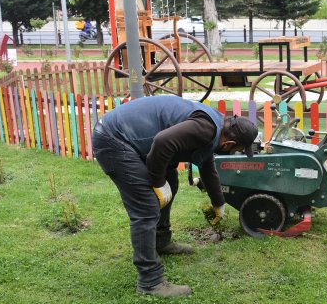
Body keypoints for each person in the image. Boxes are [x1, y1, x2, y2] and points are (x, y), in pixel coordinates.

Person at [91, 96, 258, 297]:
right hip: (114, 140)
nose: (236, 152)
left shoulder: (218, 124)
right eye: (239, 149)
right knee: (146, 208)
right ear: (230, 142)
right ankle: (150, 282)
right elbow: (162, 142)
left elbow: (206, 164)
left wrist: (218, 202)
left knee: (172, 182)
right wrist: (157, 182)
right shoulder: (206, 129)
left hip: (127, 138)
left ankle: (160, 241)